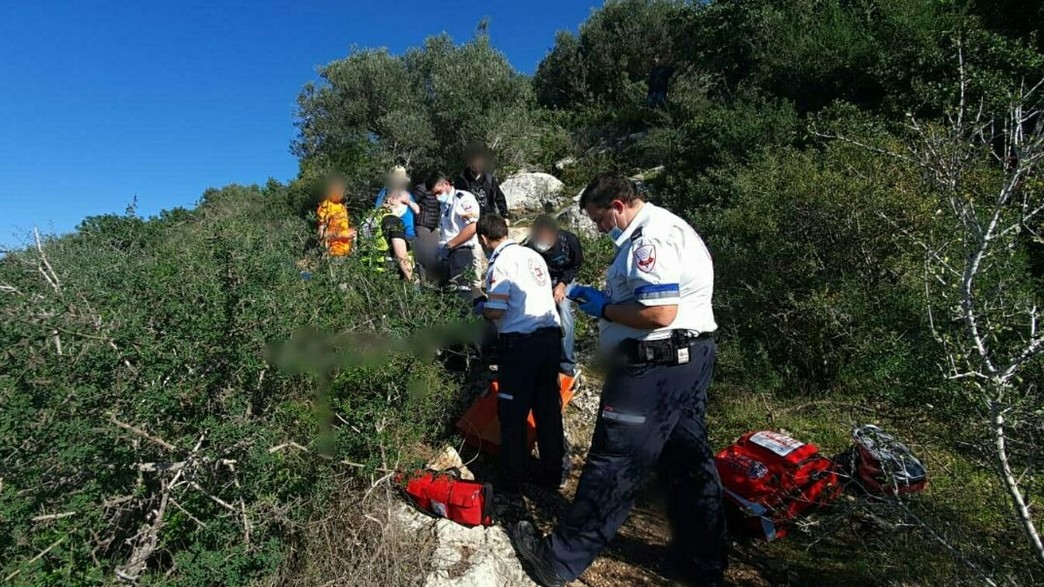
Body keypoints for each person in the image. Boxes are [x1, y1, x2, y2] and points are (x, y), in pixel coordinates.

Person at [511, 174, 726, 587]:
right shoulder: (671, 225)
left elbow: (659, 312)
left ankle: (559, 559)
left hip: (654, 366)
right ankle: (703, 562)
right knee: (688, 459)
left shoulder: (650, 239)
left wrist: (605, 309)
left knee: (615, 462)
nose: (597, 228)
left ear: (617, 206)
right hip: (688, 360)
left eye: (598, 219)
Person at [473, 214, 565, 495]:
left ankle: (512, 481)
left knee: (512, 412)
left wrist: (480, 307)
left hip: (521, 345)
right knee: (547, 408)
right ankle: (553, 473)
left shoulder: (500, 263)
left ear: (483, 240)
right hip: (550, 339)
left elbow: (497, 311)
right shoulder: (531, 255)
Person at [526, 215, 584, 385]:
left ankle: (567, 363)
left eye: (545, 236)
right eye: (539, 235)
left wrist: (562, 284)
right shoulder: (531, 247)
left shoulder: (569, 241)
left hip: (565, 280)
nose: (542, 239)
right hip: (543, 282)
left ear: (554, 234)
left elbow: (576, 265)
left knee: (563, 309)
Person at [427, 171, 481, 298]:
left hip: (461, 251)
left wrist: (450, 245)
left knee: (461, 294)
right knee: (444, 293)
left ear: (446, 184)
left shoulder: (463, 199)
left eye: (438, 192)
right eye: (433, 195)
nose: (436, 197)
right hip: (447, 253)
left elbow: (473, 226)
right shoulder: (445, 204)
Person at [357, 197, 414, 281]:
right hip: (388, 276)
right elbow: (401, 256)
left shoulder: (368, 218)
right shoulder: (393, 220)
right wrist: (410, 278)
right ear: (392, 200)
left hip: (367, 273)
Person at [455, 143, 511, 220]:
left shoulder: (489, 179)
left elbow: (499, 198)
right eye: (474, 161)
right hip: (470, 220)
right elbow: (456, 201)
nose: (477, 165)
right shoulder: (462, 180)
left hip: (488, 219)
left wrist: (505, 215)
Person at [316, 174, 356, 258]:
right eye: (337, 188)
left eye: (341, 189)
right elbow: (321, 236)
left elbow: (345, 230)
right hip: (331, 255)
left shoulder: (342, 208)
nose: (340, 192)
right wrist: (341, 235)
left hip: (346, 254)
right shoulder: (325, 206)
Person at [375, 166, 418, 240]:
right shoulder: (384, 193)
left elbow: (417, 210)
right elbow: (376, 210)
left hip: (408, 235)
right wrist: (387, 205)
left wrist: (408, 201)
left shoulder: (407, 194)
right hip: (390, 234)